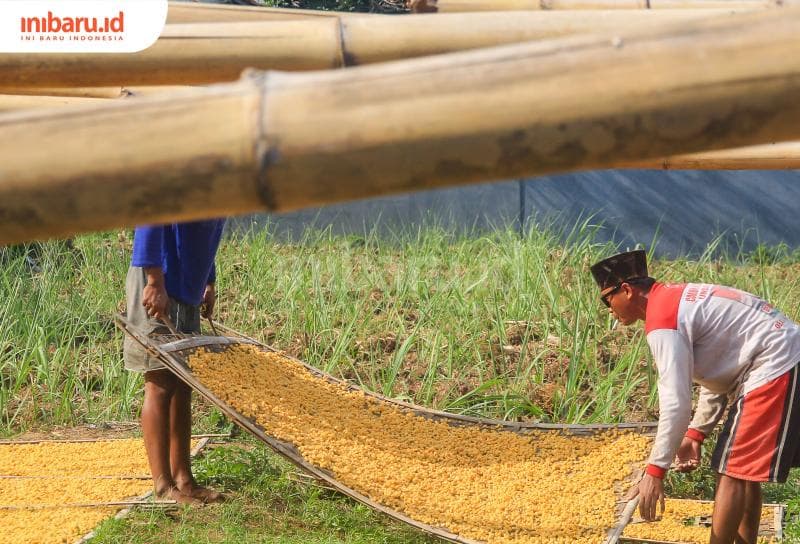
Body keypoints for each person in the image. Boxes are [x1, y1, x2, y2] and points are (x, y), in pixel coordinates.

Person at [590, 249, 800, 544]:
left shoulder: (663, 318)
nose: (608, 309)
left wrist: (655, 471)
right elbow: (718, 373)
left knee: (730, 471)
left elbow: (675, 402)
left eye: (607, 299)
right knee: (742, 470)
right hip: (780, 356)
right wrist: (696, 434)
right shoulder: (675, 300)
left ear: (627, 290)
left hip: (777, 361)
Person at [123, 219, 226, 504]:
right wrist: (154, 281)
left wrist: (208, 280)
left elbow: (207, 232)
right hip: (159, 278)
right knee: (161, 381)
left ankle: (183, 479)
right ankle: (163, 487)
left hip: (187, 284)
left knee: (183, 383)